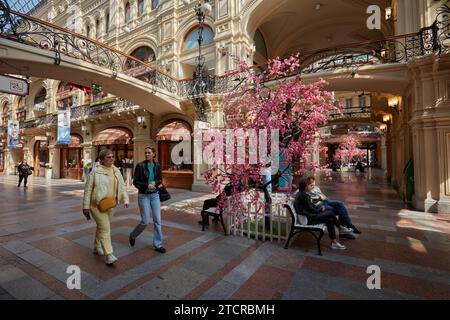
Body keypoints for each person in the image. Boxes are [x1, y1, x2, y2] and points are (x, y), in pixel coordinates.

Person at [82, 149, 130, 266]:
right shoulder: (95, 172)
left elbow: (122, 186)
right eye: (108, 157)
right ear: (102, 160)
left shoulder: (116, 171)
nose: (112, 159)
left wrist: (126, 199)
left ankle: (97, 246)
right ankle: (109, 255)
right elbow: (88, 190)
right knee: (105, 228)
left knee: (102, 227)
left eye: (113, 156)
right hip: (96, 205)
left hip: (111, 204)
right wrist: (85, 206)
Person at [129, 147, 166, 253]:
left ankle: (158, 245)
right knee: (145, 221)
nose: (147, 154)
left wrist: (156, 183)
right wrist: (146, 186)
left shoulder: (157, 165)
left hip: (155, 195)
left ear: (154, 154)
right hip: (143, 195)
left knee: (157, 221)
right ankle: (133, 235)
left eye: (149, 153)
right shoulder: (140, 166)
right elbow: (135, 182)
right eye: (145, 153)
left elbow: (160, 179)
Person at [294, 178, 346, 250]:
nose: (312, 187)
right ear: (306, 187)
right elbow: (311, 210)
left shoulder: (302, 194)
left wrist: (319, 208)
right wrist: (320, 209)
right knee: (330, 213)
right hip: (307, 219)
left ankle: (334, 242)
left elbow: (310, 207)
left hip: (308, 216)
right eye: (310, 186)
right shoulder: (304, 196)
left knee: (330, 219)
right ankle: (341, 228)